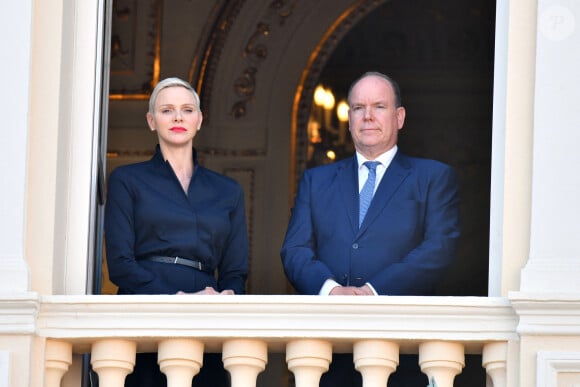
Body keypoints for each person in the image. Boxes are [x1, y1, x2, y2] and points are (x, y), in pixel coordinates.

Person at [280, 71, 461, 386]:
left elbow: (439, 249)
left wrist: (372, 291)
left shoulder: (432, 177)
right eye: (358, 108)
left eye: (379, 106)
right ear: (349, 119)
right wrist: (331, 290)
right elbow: (295, 250)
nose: (368, 116)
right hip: (328, 350)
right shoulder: (316, 180)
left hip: (403, 349)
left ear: (399, 117)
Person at [104, 77, 249, 387]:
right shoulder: (127, 180)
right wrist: (177, 297)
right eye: (167, 110)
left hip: (206, 320)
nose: (179, 117)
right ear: (151, 121)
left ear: (199, 119)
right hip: (145, 313)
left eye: (187, 109)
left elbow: (235, 271)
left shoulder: (228, 190)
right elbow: (119, 265)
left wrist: (228, 296)